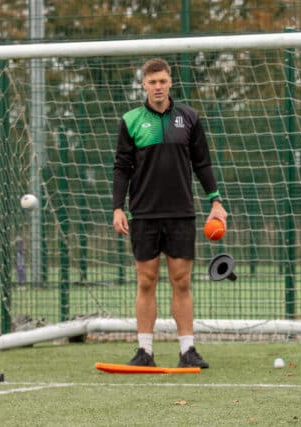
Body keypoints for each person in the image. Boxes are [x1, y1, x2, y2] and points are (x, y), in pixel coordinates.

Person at [112, 58, 228, 369]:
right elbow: (122, 168)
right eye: (152, 82)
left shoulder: (189, 117)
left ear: (170, 82)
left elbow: (202, 163)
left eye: (163, 81)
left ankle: (187, 350)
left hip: (181, 213)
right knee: (146, 281)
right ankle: (144, 352)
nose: (158, 87)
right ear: (144, 85)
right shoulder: (131, 120)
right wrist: (117, 207)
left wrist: (216, 201)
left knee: (182, 281)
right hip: (144, 214)